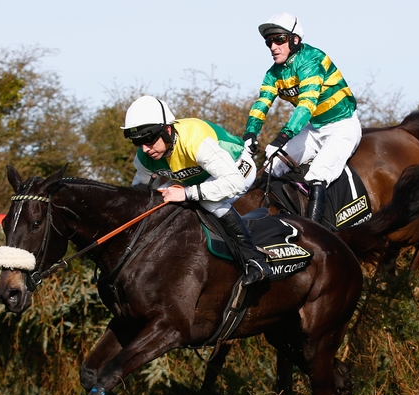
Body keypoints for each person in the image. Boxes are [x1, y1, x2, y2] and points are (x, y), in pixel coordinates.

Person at [122, 95, 271, 286]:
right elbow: (138, 197)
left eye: (149, 140)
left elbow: (234, 182)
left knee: (208, 200)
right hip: (200, 179)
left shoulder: (195, 141)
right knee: (158, 197)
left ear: (167, 129)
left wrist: (187, 193)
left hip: (237, 168)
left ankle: (254, 261)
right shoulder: (146, 156)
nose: (145, 149)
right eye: (138, 142)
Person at [243, 12, 362, 223]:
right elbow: (262, 103)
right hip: (314, 129)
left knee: (317, 175)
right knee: (272, 167)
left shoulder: (312, 60)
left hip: (342, 126)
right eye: (269, 41)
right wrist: (250, 133)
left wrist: (281, 138)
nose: (273, 46)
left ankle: (318, 233)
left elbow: (306, 105)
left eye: (279, 39)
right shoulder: (273, 73)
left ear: (295, 40)